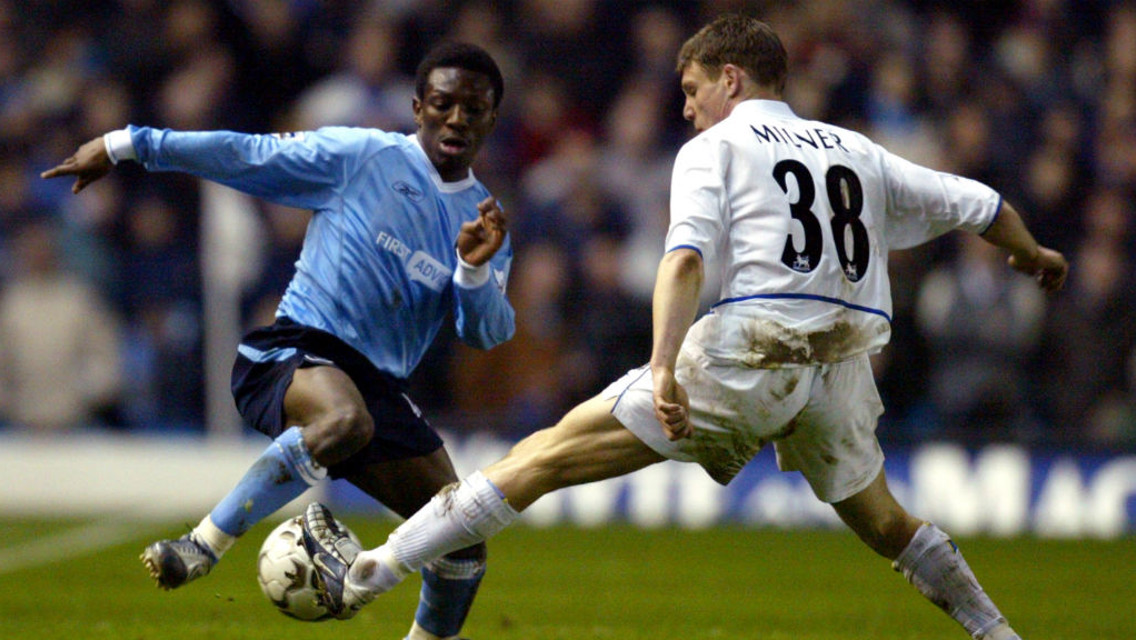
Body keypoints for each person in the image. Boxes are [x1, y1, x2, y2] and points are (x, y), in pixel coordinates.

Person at [301, 16, 1067, 639]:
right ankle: (996, 632)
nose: (686, 106)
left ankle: (372, 570)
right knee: (883, 522)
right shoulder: (856, 151)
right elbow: (982, 203)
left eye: (692, 88)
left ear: (729, 79)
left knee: (544, 457)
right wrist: (1032, 256)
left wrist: (664, 365)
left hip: (750, 350)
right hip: (839, 366)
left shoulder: (716, 147)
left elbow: (684, 260)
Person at [42, 42, 514, 640]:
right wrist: (126, 144)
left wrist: (472, 272)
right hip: (296, 350)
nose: (457, 120)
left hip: (380, 389)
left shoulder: (484, 219)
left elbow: (488, 332)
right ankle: (201, 544)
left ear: (492, 119)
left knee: (462, 540)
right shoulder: (362, 156)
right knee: (345, 421)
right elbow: (247, 155)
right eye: (443, 104)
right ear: (418, 107)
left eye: (473, 109)